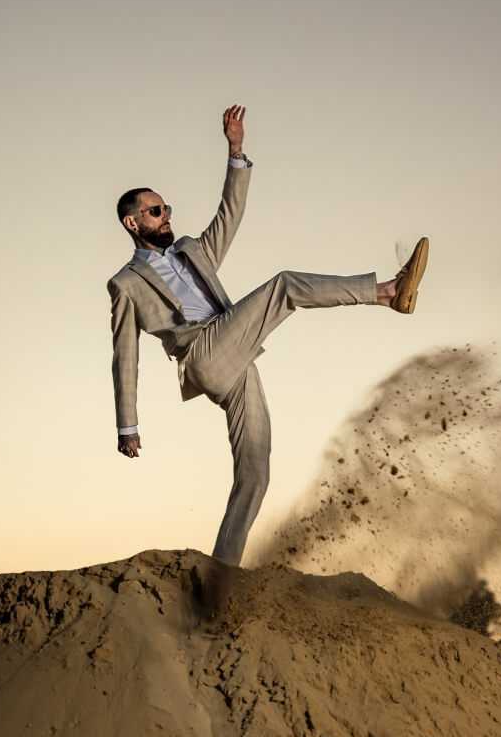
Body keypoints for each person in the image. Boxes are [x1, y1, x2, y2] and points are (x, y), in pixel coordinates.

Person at [108, 104, 428, 567]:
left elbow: (229, 215)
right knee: (284, 286)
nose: (166, 215)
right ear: (132, 223)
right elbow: (124, 356)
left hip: (235, 355)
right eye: (155, 211)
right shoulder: (126, 283)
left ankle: (222, 575)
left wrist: (236, 151)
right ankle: (387, 292)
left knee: (255, 473)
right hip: (202, 353)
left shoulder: (192, 251)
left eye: (167, 208)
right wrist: (128, 426)